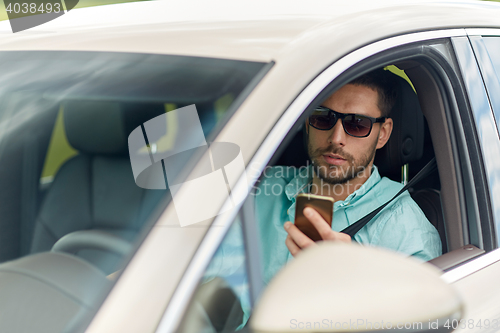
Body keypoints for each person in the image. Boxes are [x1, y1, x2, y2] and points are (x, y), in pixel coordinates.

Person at [255, 69, 442, 284]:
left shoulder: (406, 230)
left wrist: (354, 279)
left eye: (357, 124)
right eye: (323, 117)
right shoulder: (262, 189)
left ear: (383, 134)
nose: (336, 138)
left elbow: (418, 314)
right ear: (308, 122)